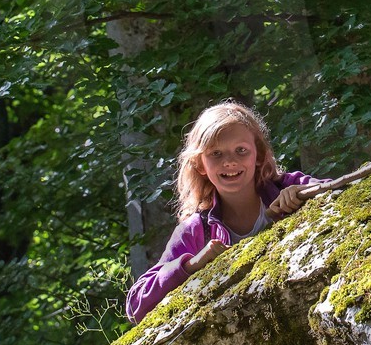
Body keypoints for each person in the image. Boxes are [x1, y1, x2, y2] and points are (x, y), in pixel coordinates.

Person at [125, 101, 314, 323]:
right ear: (200, 164)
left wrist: (306, 194)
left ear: (259, 155)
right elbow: (136, 306)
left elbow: (353, 195)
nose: (230, 162)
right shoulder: (196, 230)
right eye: (216, 153)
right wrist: (192, 264)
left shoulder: (288, 187)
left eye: (241, 150)